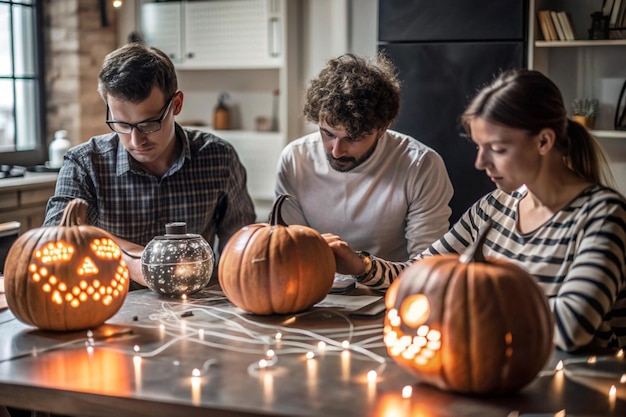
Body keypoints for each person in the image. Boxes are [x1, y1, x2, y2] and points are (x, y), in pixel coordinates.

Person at [415, 69, 626, 352]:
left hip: (579, 385)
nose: (480, 162)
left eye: (498, 149)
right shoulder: (494, 206)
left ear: (543, 142)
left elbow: (571, 326)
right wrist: (361, 265)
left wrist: (467, 298)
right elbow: (419, 270)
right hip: (504, 370)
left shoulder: (603, 216)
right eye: (479, 147)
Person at [43, 43, 256, 288]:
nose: (136, 140)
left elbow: (243, 249)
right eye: (121, 124)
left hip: (197, 309)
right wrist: (133, 260)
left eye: (148, 123)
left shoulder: (219, 158)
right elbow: (55, 241)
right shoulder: (84, 163)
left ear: (176, 104)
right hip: (109, 308)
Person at [274, 53, 453, 290]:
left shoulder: (420, 165)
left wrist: (362, 266)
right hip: (312, 294)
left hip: (393, 296)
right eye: (328, 134)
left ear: (382, 128)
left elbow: (429, 268)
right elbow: (287, 251)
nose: (336, 151)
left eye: (353, 138)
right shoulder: (295, 159)